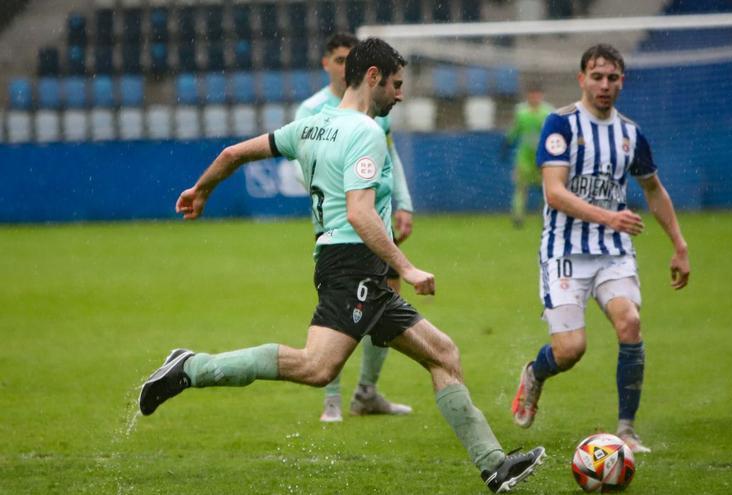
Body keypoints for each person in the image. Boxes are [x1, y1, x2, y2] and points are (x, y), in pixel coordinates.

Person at [140, 38, 545, 493]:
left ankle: (493, 465)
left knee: (443, 354)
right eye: (395, 84)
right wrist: (407, 268)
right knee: (317, 368)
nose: (400, 94)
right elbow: (359, 213)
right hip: (352, 264)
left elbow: (234, 153)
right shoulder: (366, 132)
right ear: (372, 77)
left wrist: (201, 189)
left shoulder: (310, 126)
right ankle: (190, 367)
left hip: (348, 264)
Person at [510, 44, 690, 454]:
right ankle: (536, 374)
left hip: (612, 250)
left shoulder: (630, 134)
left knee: (629, 323)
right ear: (582, 79)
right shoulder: (561, 125)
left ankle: (626, 429)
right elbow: (554, 193)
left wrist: (679, 244)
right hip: (564, 251)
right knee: (570, 350)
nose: (604, 85)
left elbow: (654, 190)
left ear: (621, 82)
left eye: (612, 78)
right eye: (597, 76)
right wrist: (609, 216)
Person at [294, 32, 415, 423]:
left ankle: (367, 391)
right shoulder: (311, 110)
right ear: (327, 63)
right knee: (336, 310)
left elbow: (389, 156)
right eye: (339, 58)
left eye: (351, 58)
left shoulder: (375, 112)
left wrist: (404, 204)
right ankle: (331, 396)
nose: (345, 64)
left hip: (374, 220)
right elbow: (304, 167)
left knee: (387, 295)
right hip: (338, 225)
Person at [506, 84, 554, 228]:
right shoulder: (521, 111)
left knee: (546, 188)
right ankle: (518, 217)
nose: (534, 97)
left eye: (537, 94)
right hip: (524, 157)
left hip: (542, 157)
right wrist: (508, 142)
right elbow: (515, 129)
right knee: (521, 187)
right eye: (532, 94)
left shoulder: (548, 112)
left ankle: (547, 216)